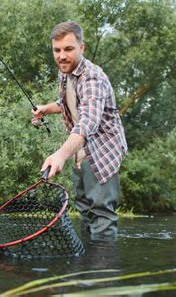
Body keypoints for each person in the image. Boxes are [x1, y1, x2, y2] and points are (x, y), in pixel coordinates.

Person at [32, 21, 127, 239]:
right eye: (57, 50)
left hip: (102, 153)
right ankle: (87, 264)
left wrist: (59, 155)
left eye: (68, 49)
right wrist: (46, 109)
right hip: (79, 152)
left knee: (102, 216)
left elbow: (87, 123)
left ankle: (103, 269)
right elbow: (66, 102)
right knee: (85, 211)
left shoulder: (92, 77)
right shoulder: (65, 72)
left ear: (82, 48)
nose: (61, 56)